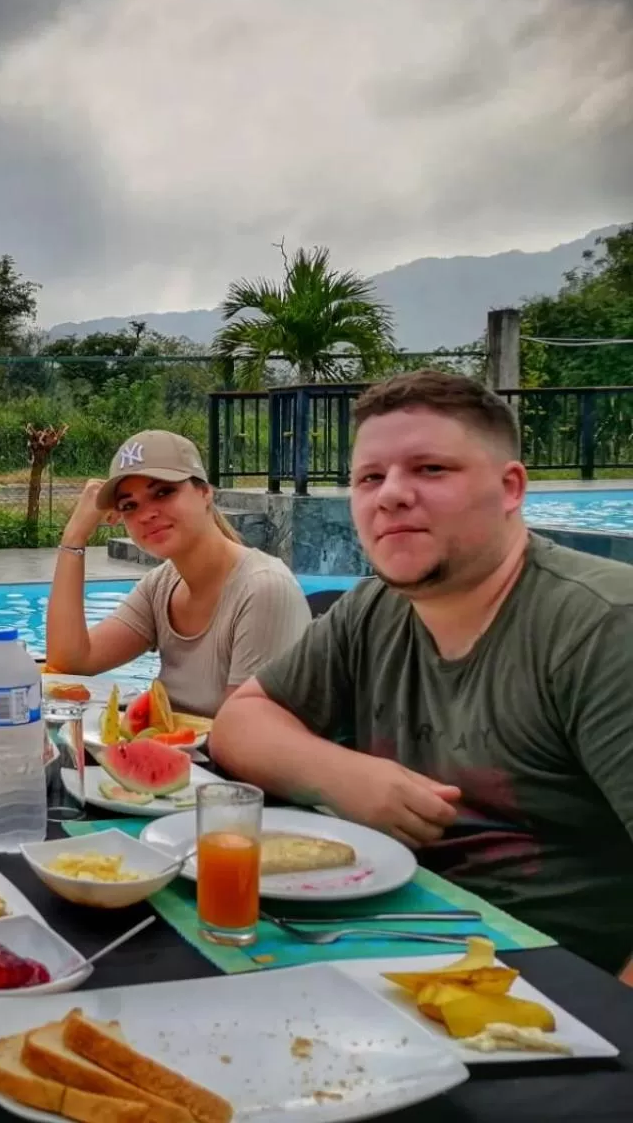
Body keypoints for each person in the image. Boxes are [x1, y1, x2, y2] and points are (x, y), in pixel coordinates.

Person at [211, 371, 633, 980]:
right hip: (391, 939)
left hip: (547, 984)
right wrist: (342, 776)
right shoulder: (374, 609)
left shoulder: (600, 630)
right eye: (370, 477)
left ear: (511, 487)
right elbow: (242, 721)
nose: (391, 496)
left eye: (431, 469)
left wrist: (614, 1039)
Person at [45, 429, 310, 717]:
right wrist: (74, 537)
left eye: (163, 492)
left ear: (205, 492)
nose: (146, 514)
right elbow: (71, 661)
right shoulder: (162, 585)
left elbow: (246, 736)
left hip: (224, 761)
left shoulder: (263, 590)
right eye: (129, 505)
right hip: (181, 754)